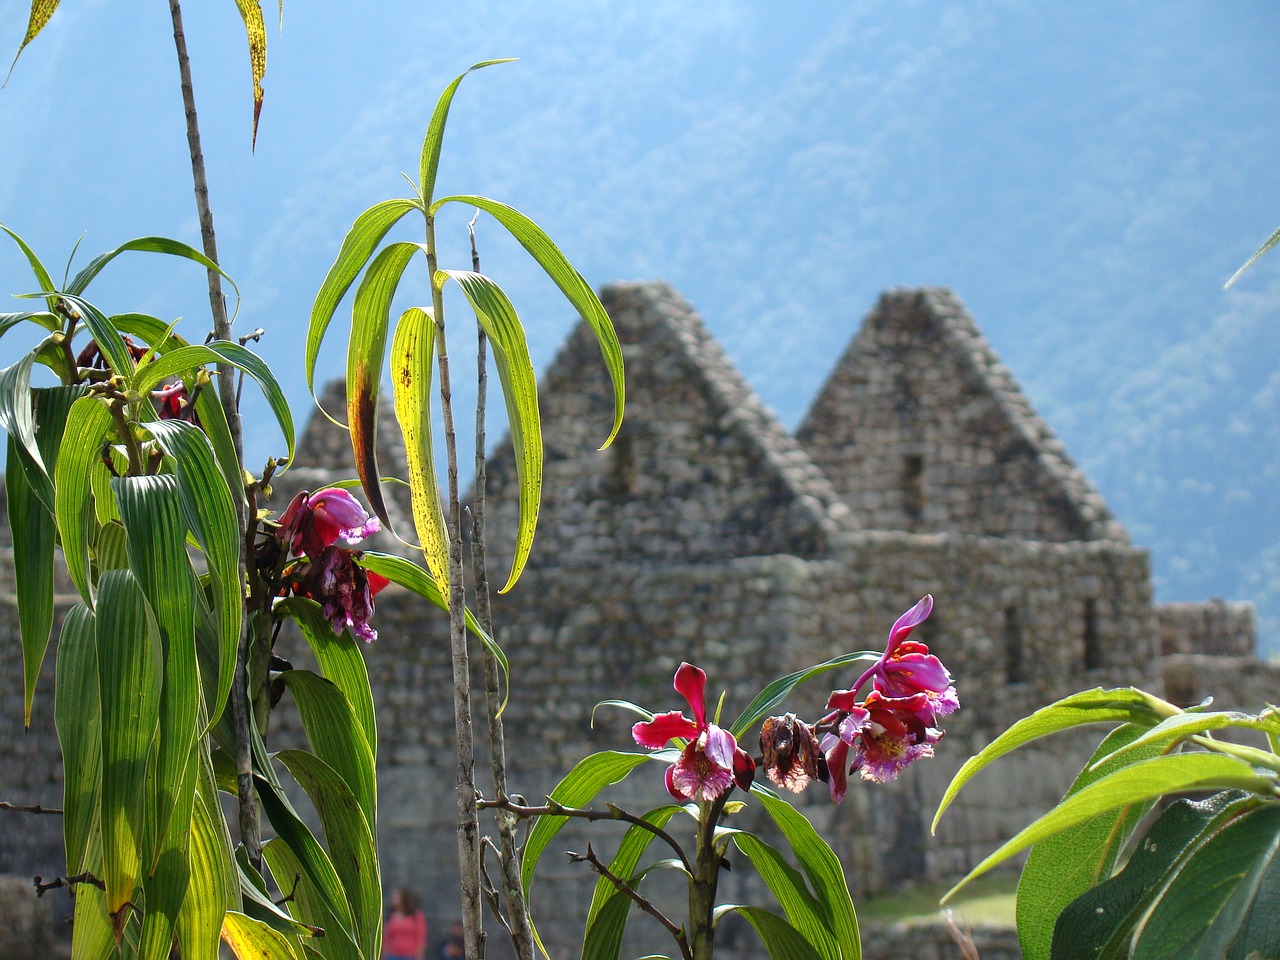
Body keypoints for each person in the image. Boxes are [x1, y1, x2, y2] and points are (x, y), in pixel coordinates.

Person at [383, 887, 427, 960]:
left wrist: (419, 957)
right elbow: (387, 938)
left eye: (396, 897)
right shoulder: (391, 916)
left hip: (409, 956)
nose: (393, 900)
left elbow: (420, 939)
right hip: (392, 955)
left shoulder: (416, 916)